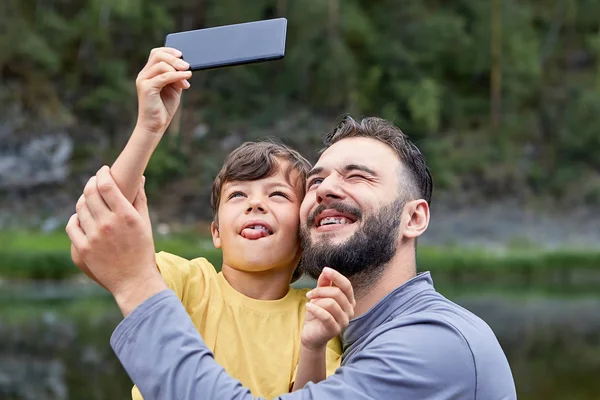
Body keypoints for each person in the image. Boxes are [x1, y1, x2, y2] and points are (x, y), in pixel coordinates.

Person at [67, 93, 517, 399]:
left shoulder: (434, 344)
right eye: (317, 181)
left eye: (357, 175)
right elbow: (102, 225)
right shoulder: (356, 335)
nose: (324, 190)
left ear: (413, 217)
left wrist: (135, 284)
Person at [68, 47, 355, 399]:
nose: (255, 205)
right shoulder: (189, 283)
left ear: (303, 231)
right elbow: (100, 231)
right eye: (237, 196)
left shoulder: (313, 313)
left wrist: (313, 345)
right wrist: (149, 126)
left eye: (277, 195)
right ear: (216, 231)